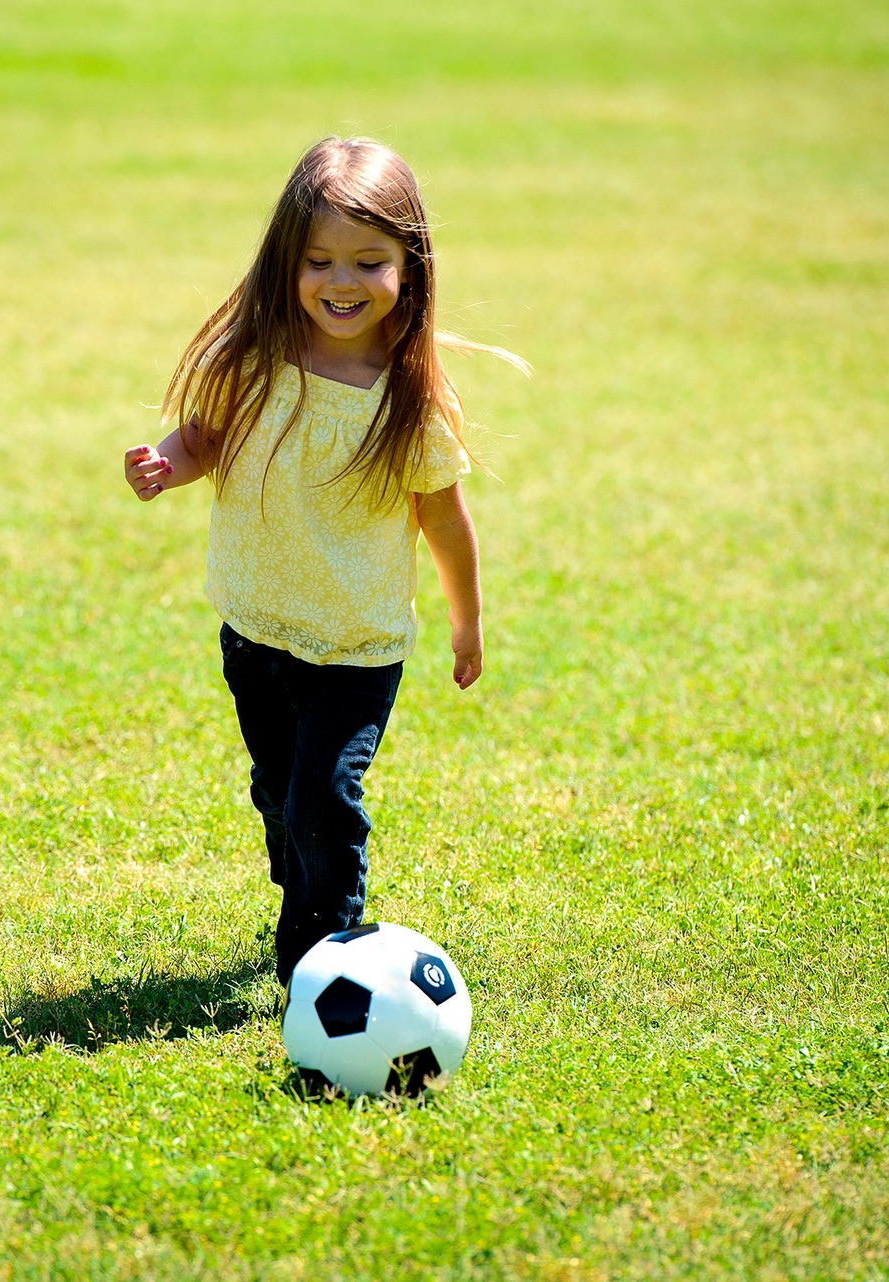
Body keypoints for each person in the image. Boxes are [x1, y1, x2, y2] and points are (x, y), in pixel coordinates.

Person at [122, 136, 524, 986]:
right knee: (278, 792)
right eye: (320, 261)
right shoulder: (257, 362)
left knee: (320, 801)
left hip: (354, 646)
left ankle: (324, 958)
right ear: (286, 263)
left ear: (409, 270)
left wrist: (467, 624)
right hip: (256, 626)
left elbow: (446, 522)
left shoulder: (406, 405)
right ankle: (302, 889)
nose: (342, 283)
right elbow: (206, 438)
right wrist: (167, 462)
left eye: (369, 262)